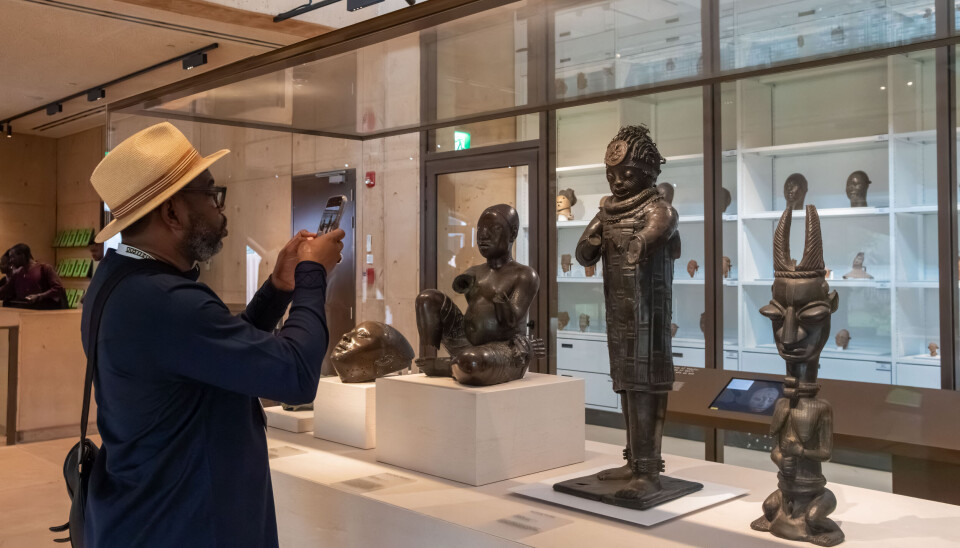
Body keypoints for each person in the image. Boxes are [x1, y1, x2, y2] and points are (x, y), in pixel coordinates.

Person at [80, 122, 345, 547]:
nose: (222, 208)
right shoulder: (165, 301)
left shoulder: (119, 283)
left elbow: (217, 358)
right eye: (210, 193)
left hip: (147, 516)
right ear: (172, 213)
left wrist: (278, 288)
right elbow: (295, 375)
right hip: (185, 525)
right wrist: (314, 274)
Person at [0, 243, 66, 309]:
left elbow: (58, 288)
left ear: (22, 255)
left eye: (12, 257)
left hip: (44, 312)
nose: (11, 260)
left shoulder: (44, 268)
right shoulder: (18, 273)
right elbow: (6, 290)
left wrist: (39, 296)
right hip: (25, 312)